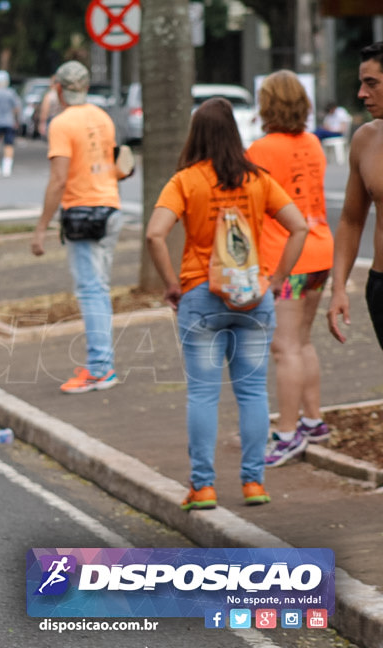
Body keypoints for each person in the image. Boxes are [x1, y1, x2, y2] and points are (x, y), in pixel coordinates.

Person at [145, 97, 309, 511]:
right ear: (235, 134)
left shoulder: (185, 181)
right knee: (253, 393)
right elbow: (299, 227)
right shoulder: (258, 180)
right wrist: (275, 280)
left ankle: (203, 487)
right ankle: (254, 483)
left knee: (202, 394)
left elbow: (154, 234)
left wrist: (171, 285)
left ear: (195, 134)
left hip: (200, 297)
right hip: (254, 298)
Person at [247, 70, 335, 466]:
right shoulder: (314, 143)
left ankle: (286, 433)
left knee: (284, 348)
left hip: (285, 256)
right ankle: (313, 421)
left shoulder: (262, 150)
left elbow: (253, 206)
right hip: (320, 250)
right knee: (303, 342)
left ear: (268, 104)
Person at [30, 60, 127, 394]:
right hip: (111, 208)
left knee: (91, 292)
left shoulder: (62, 123)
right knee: (99, 288)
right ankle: (102, 363)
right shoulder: (102, 117)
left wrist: (41, 227)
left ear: (59, 88)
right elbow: (117, 164)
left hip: (83, 213)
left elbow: (59, 180)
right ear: (85, 86)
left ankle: (101, 368)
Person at [328, 43, 383, 352]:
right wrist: (339, 288)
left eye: (371, 83)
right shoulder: (365, 140)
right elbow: (350, 220)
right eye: (361, 83)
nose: (362, 93)